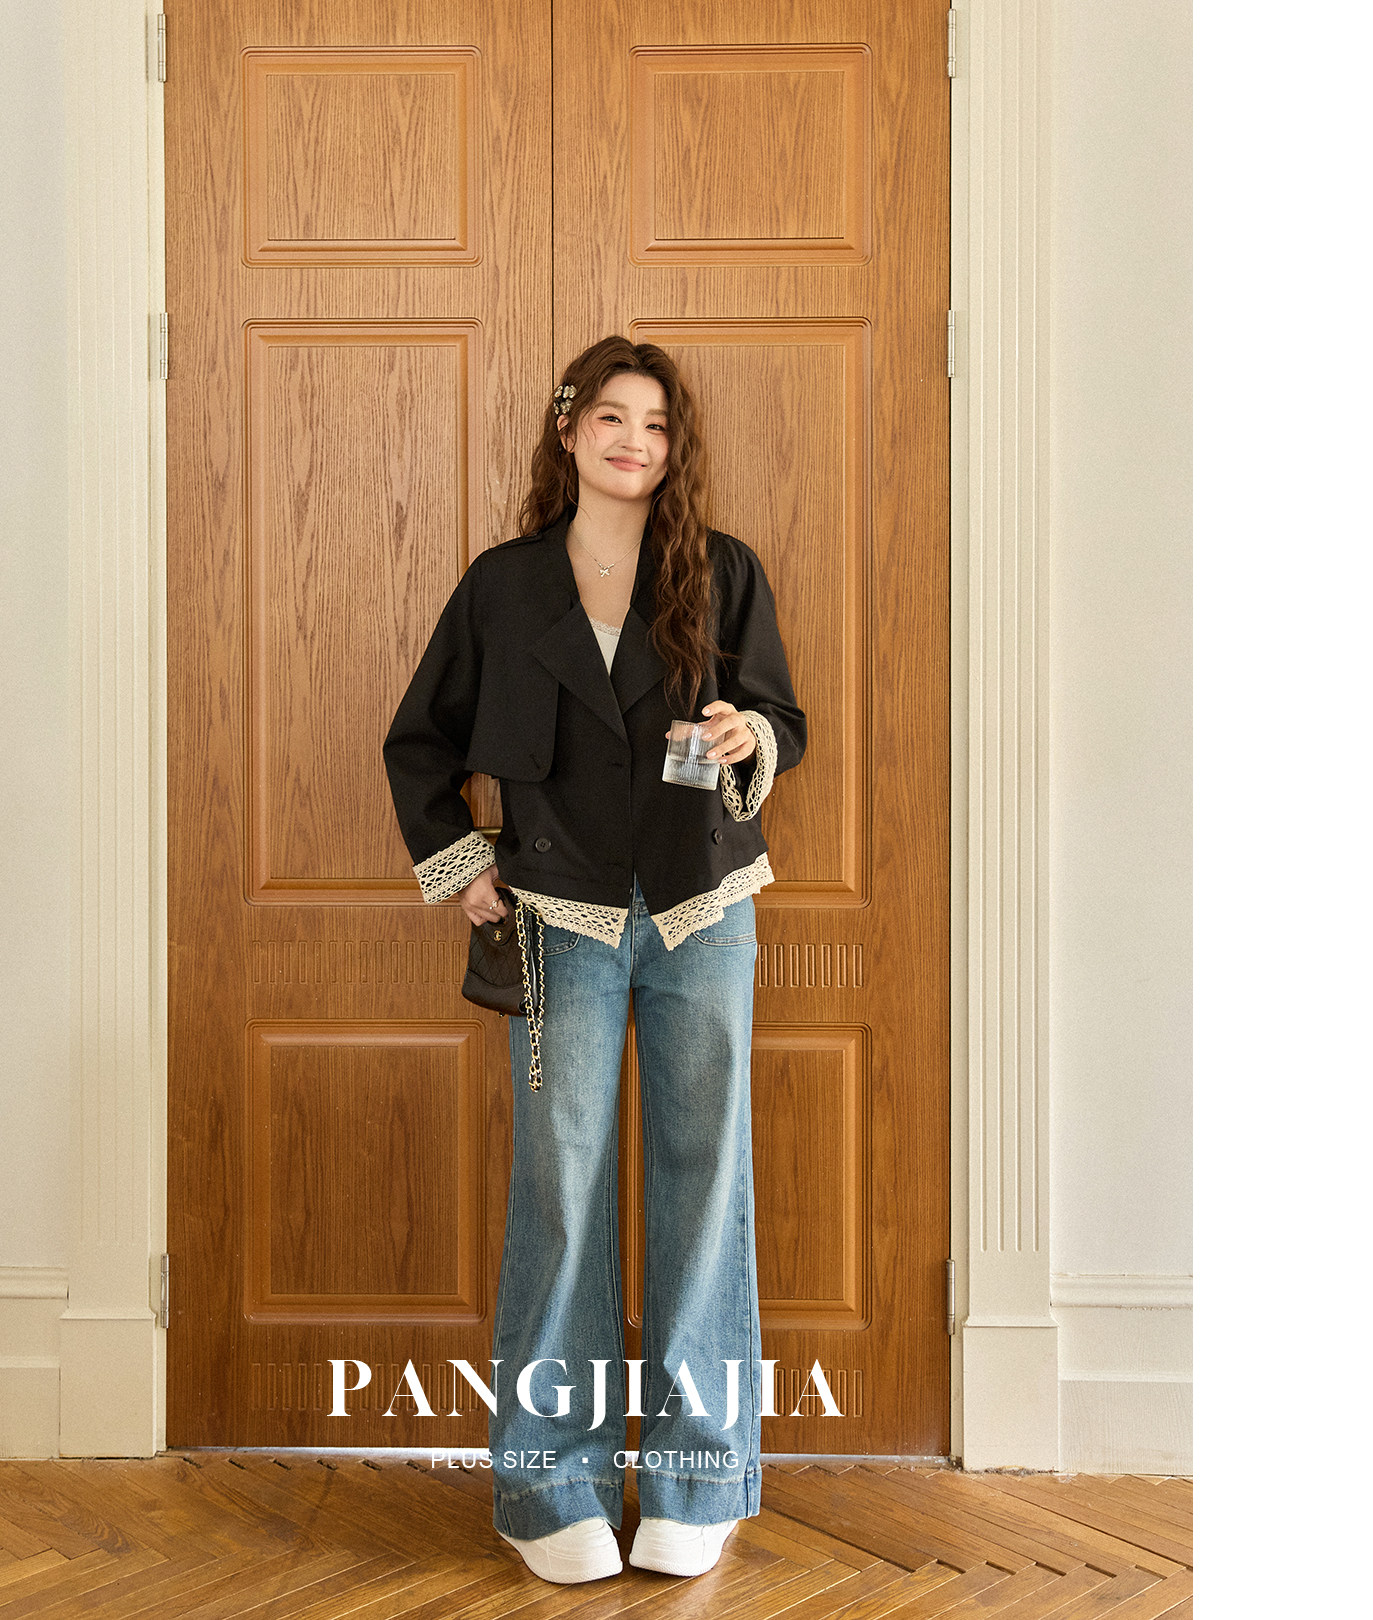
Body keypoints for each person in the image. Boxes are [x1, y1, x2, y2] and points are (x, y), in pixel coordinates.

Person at [381, 336, 806, 1584]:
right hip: (556, 913)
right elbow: (418, 744)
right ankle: (547, 1484)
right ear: (568, 430)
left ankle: (698, 1479)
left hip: (703, 906)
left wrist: (749, 733)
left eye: (658, 426)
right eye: (613, 417)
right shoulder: (504, 587)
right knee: (560, 1190)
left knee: (705, 1182)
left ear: (676, 449)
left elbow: (785, 719)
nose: (636, 441)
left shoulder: (722, 573)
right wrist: (459, 864)